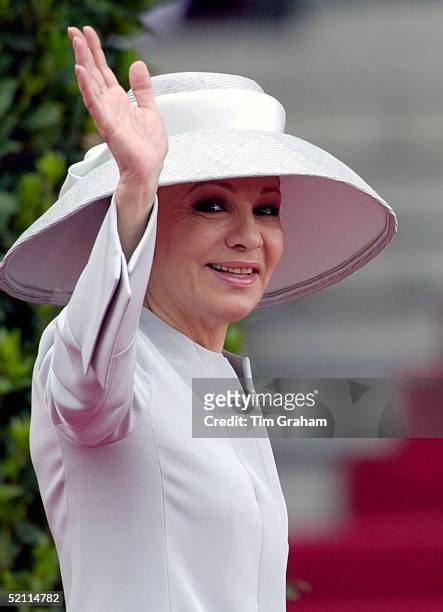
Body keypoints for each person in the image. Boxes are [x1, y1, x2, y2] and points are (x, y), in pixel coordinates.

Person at [0, 25, 397, 612]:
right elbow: (89, 383)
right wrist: (136, 188)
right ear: (148, 225)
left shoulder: (221, 383)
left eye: (267, 208)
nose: (249, 237)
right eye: (211, 204)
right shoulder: (89, 365)